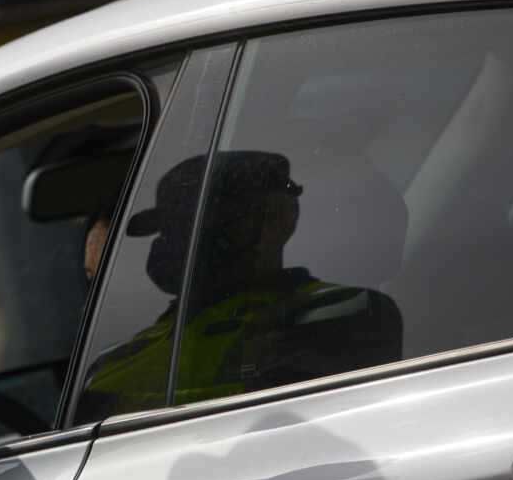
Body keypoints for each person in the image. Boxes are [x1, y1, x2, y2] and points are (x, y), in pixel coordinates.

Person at [80, 151, 401, 416]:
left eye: (197, 226)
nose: (174, 244)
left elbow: (270, 413)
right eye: (169, 230)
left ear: (277, 219)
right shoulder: (124, 353)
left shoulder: (338, 311)